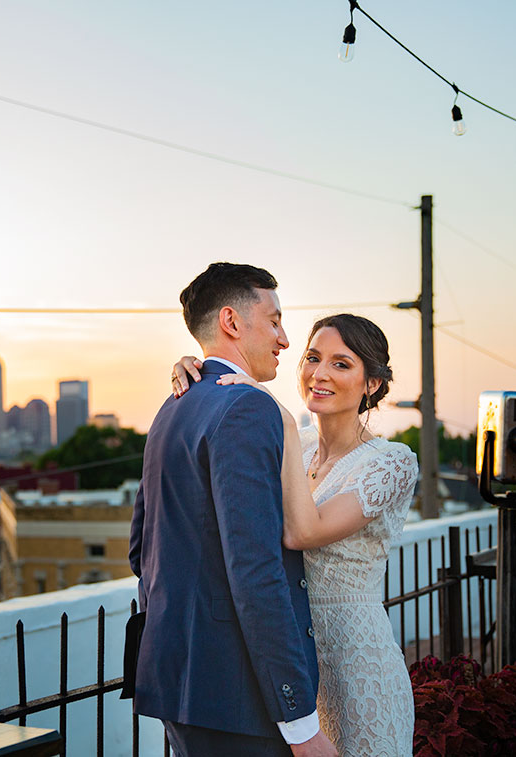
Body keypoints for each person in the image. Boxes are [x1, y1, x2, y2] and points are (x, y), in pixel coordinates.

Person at [171, 313, 419, 756]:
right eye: (312, 358)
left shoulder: (392, 462)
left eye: (341, 364)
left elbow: (304, 531)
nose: (319, 374)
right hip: (290, 660)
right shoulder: (299, 445)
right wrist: (201, 371)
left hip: (356, 659)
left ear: (372, 385)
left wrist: (281, 421)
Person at [130, 263, 337, 757]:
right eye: (274, 321)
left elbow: (141, 548)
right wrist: (300, 722)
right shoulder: (249, 407)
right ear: (231, 321)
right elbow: (256, 571)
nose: (284, 339)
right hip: (237, 694)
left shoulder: (172, 404)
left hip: (175, 681)